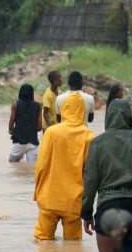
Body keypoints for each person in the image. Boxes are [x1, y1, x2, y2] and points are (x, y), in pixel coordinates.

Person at [82, 99, 132, 252]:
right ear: (129, 117)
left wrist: (86, 214)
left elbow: (90, 181)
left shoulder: (97, 143)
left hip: (107, 207)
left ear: (108, 117)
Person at [34, 93, 95, 240]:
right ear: (83, 111)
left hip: (49, 198)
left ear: (64, 109)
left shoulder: (51, 132)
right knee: (73, 244)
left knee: (42, 240)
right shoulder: (89, 136)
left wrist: (37, 191)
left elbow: (41, 165)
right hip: (73, 201)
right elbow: (90, 173)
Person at [8, 84, 41, 163]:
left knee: (12, 163)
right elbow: (39, 127)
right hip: (33, 142)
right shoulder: (38, 106)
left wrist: (12, 132)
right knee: (32, 168)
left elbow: (11, 125)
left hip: (19, 141)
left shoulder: (15, 104)